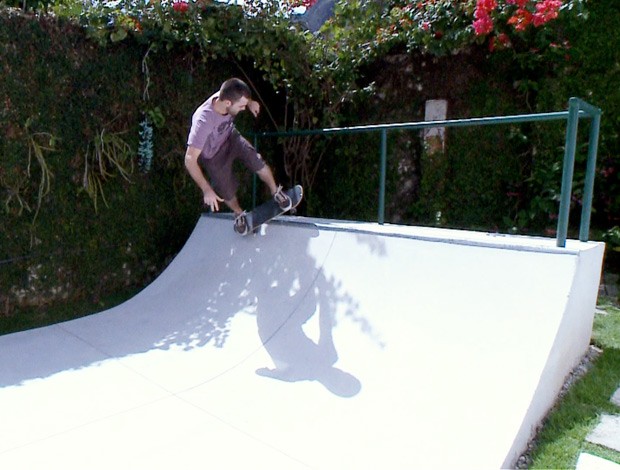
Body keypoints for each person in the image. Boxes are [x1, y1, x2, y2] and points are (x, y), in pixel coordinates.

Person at [184, 78, 291, 234]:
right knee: (227, 191)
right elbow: (189, 159)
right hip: (213, 156)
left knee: (257, 162)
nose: (242, 109)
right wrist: (206, 189)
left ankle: (276, 192)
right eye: (241, 106)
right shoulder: (203, 121)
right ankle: (239, 213)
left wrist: (250, 103)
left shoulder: (226, 94)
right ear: (228, 103)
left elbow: (238, 94)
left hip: (231, 138)